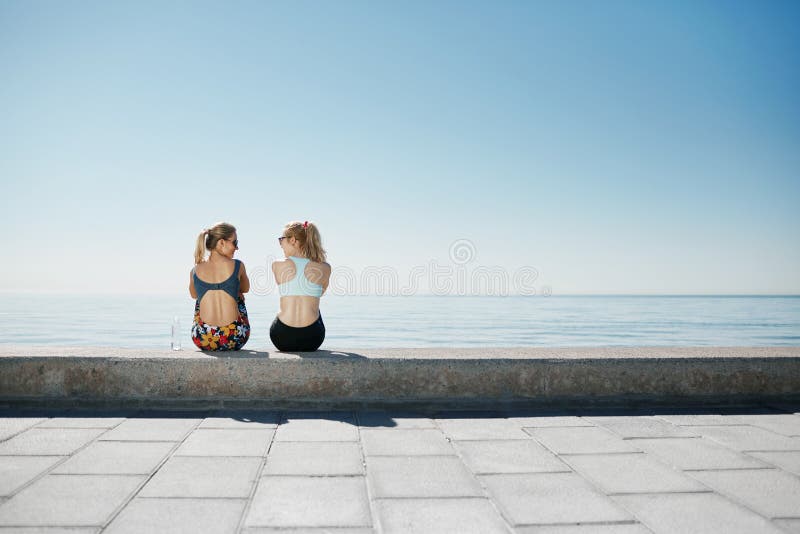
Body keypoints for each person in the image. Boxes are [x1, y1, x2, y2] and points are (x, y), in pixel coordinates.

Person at [270, 220, 331, 351]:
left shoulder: (277, 265)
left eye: (282, 239)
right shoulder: (325, 267)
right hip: (312, 338)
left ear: (293, 240)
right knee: (313, 305)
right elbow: (320, 293)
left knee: (287, 304)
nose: (280, 244)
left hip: (281, 337)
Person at [189, 222, 251, 351]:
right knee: (238, 295)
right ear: (221, 242)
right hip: (234, 337)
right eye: (235, 243)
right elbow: (245, 289)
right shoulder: (238, 265)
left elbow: (194, 295)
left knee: (200, 298)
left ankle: (206, 325)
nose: (237, 248)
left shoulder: (194, 270)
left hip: (203, 338)